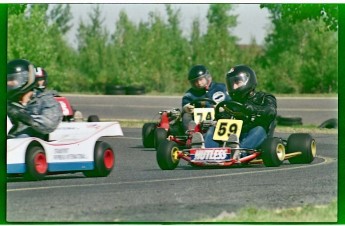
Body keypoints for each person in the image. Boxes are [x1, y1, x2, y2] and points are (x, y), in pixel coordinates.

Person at [198, 65, 277, 152]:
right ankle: (206, 151)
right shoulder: (231, 101)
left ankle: (239, 152)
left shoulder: (264, 98)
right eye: (231, 84)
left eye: (237, 82)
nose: (234, 87)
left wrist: (252, 109)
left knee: (259, 129)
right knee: (214, 128)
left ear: (248, 80)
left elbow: (271, 111)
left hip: (255, 135)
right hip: (234, 136)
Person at [7, 59, 63, 140]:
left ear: (27, 79)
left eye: (13, 79)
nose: (9, 83)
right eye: (7, 79)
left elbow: (49, 124)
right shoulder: (6, 100)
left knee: (22, 137)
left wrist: (21, 115)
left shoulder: (45, 99)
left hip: (30, 143)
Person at [181, 64, 230, 132]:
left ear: (207, 77)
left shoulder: (220, 88)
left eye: (200, 79)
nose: (199, 83)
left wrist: (222, 108)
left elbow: (230, 101)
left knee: (228, 114)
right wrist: (186, 108)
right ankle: (191, 134)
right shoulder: (190, 94)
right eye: (195, 81)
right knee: (186, 116)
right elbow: (185, 103)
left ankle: (228, 135)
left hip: (218, 119)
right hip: (197, 122)